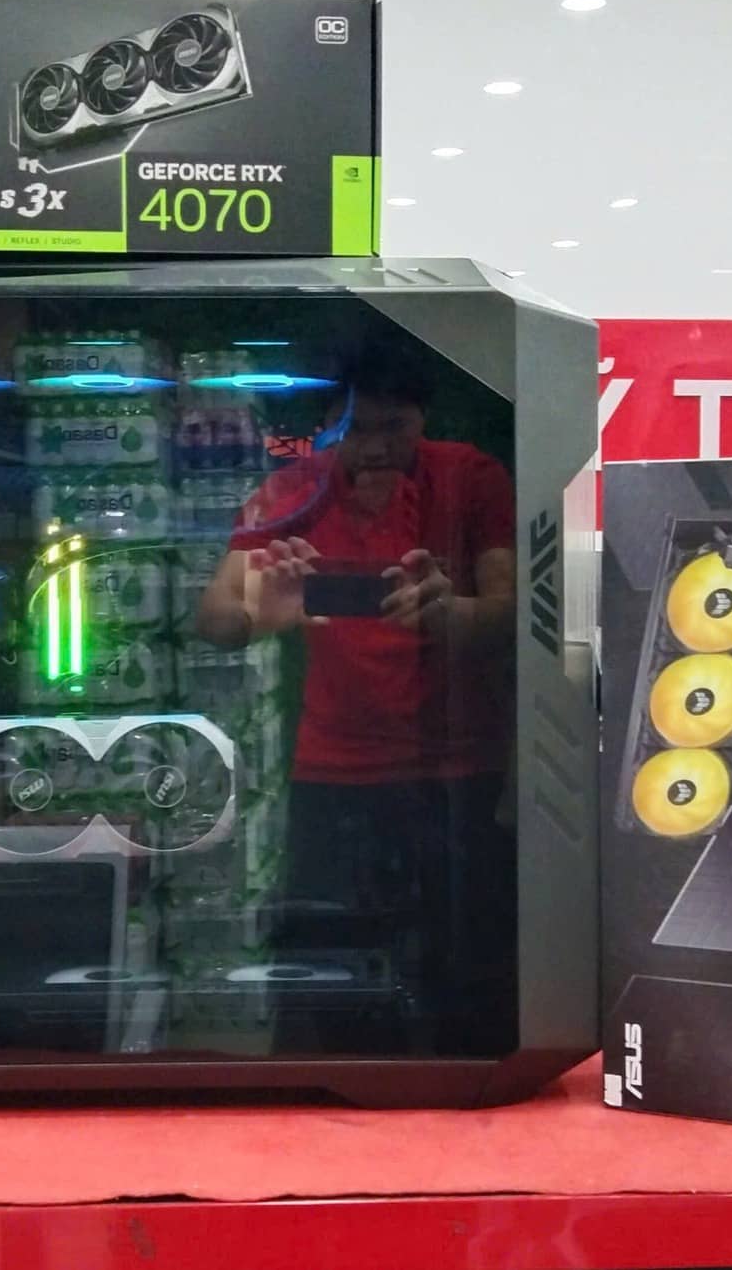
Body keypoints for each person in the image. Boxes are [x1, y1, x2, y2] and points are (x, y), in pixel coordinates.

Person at [193, 357, 516, 1052]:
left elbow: (517, 614)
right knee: (328, 978)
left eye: (393, 428)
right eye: (357, 430)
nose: (374, 448)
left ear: (423, 421)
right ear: (331, 426)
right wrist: (259, 614)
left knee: (467, 977)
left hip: (454, 770)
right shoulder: (294, 489)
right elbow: (215, 617)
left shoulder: (469, 475)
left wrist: (450, 614)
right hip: (336, 771)